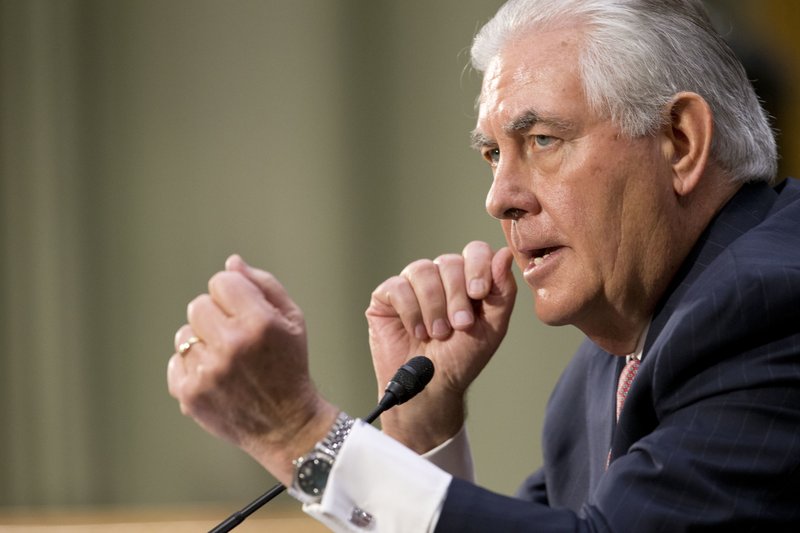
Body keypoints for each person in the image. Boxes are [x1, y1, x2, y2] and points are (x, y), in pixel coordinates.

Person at [167, 0, 800, 530]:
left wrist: (298, 435)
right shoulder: (607, 362)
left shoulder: (767, 306)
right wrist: (423, 426)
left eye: (542, 141)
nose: (499, 197)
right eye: (493, 154)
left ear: (681, 142)